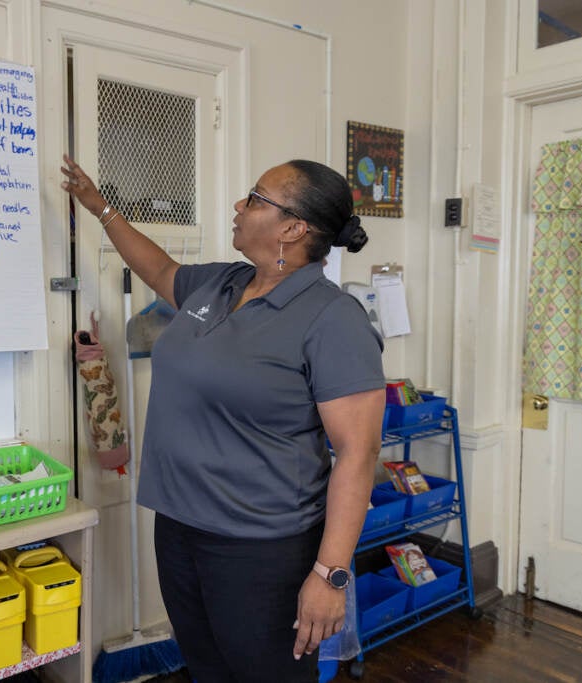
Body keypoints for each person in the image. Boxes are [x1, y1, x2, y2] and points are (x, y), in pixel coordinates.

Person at [60, 154, 385, 682]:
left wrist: (330, 575)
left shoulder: (332, 318)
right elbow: (161, 270)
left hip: (260, 547)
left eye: (256, 199)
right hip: (180, 525)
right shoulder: (223, 284)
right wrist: (101, 210)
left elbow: (358, 452)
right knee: (208, 668)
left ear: (293, 228)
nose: (239, 205)